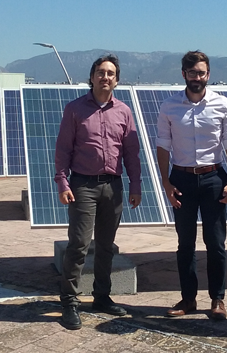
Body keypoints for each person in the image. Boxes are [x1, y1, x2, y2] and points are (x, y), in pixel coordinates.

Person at [54, 54, 142, 330]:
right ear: (92, 77)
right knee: (79, 244)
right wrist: (62, 182)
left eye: (111, 73)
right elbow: (63, 149)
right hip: (83, 186)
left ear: (117, 79)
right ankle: (69, 301)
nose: (106, 77)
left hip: (113, 187)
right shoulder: (75, 109)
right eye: (101, 72)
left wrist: (136, 185)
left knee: (106, 246)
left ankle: (101, 297)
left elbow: (131, 153)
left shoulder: (124, 112)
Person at [156, 50, 227, 320]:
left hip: (213, 179)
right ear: (184, 74)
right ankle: (188, 299)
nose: (197, 78)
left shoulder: (223, 105)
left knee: (215, 243)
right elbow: (162, 146)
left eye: (202, 73)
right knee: (185, 244)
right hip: (181, 179)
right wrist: (166, 182)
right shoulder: (169, 107)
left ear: (208, 75)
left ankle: (218, 299)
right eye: (192, 73)